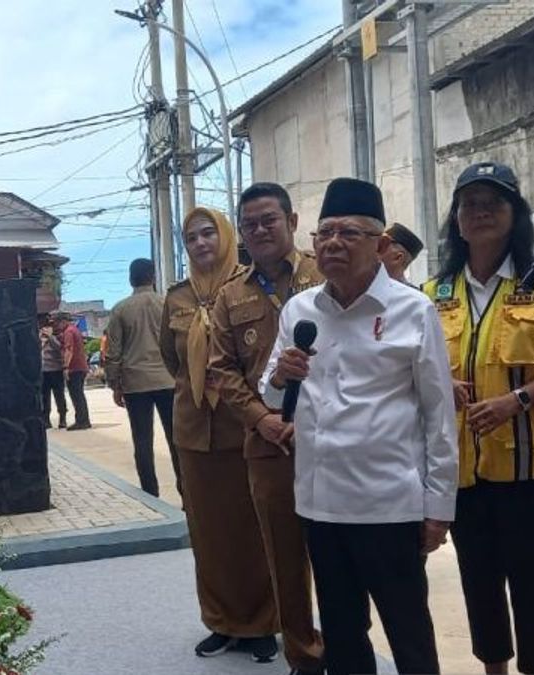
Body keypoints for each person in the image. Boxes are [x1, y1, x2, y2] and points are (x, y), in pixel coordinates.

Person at [263, 179, 457, 675]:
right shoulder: (299, 311)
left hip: (389, 505)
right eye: (324, 233)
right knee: (344, 636)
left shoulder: (413, 311)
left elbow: (438, 414)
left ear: (381, 245)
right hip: (321, 504)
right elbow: (269, 394)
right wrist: (281, 374)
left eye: (349, 233)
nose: (332, 243)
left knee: (408, 631)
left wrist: (438, 507)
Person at [423, 162, 534, 675]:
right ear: (457, 220)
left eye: (493, 202)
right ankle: (493, 668)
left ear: (515, 215)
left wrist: (516, 401)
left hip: (532, 468)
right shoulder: (435, 292)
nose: (480, 212)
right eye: (470, 204)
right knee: (479, 577)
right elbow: (415, 368)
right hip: (464, 468)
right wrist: (438, 385)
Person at [210, 182, 324, 674]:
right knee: (284, 560)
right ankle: (304, 657)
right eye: (250, 224)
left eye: (269, 220)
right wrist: (262, 418)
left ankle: (348, 649)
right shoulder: (229, 296)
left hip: (332, 443)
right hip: (268, 448)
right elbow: (221, 370)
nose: (259, 230)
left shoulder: (328, 275)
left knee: (341, 556)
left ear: (292, 222)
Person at [160, 207, 279, 660]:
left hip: (245, 427)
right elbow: (172, 361)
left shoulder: (251, 287)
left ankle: (264, 622)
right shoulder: (176, 298)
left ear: (226, 236)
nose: (201, 243)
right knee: (207, 531)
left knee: (256, 528)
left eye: (209, 233)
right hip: (195, 431)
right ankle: (222, 621)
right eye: (191, 237)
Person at [106, 258, 179, 497]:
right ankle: (186, 493)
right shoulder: (167, 303)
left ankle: (150, 495)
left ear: (130, 278)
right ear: (153, 277)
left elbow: (114, 351)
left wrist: (114, 384)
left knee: (142, 441)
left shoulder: (120, 309)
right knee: (176, 439)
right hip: (168, 380)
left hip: (135, 383)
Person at [58, 313, 91, 430]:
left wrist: (66, 367)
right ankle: (84, 419)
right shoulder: (75, 330)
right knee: (79, 395)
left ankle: (81, 421)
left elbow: (69, 350)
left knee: (76, 395)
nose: (57, 326)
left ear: (63, 321)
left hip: (75, 368)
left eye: (58, 323)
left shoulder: (69, 332)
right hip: (81, 367)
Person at [39, 315, 69, 429]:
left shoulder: (57, 335)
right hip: (43, 371)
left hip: (55, 370)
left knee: (59, 396)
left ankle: (62, 418)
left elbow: (59, 347)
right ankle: (46, 419)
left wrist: (50, 337)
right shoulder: (38, 335)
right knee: (44, 397)